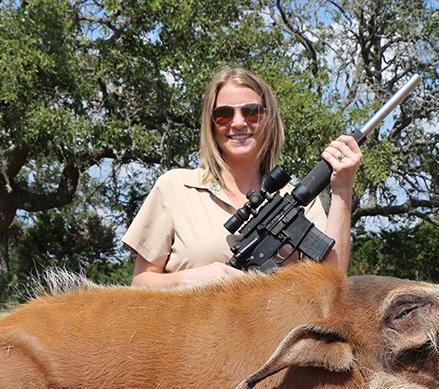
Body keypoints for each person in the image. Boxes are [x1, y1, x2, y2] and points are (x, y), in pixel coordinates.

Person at [122, 67, 362, 287]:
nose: (238, 123)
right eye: (224, 115)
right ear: (212, 125)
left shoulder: (298, 200)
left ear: (268, 120)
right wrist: (199, 278)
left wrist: (342, 190)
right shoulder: (175, 188)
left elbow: (333, 283)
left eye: (251, 113)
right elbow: (141, 284)